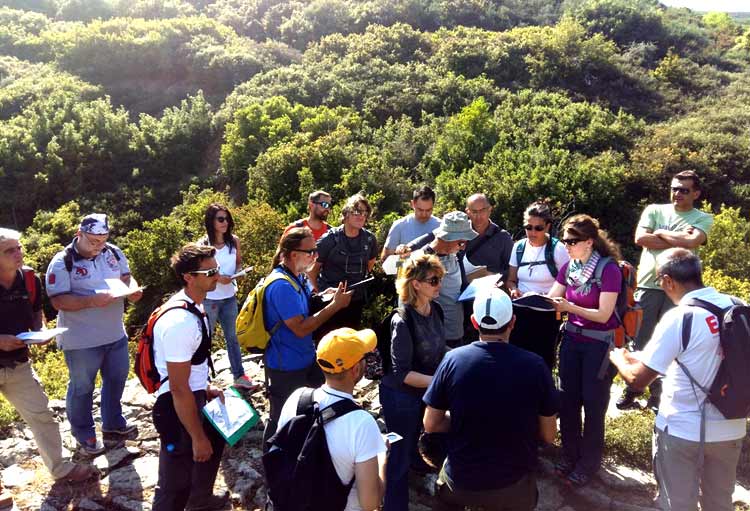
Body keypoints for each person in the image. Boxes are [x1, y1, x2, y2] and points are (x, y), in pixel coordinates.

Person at [609, 248, 745, 511]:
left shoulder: (680, 317)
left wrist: (619, 359)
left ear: (668, 280)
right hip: (732, 427)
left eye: (659, 280)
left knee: (677, 505)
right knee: (719, 503)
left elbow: (638, 380)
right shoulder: (739, 306)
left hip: (683, 429)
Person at [423, 287, 558, 511]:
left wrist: (466, 421)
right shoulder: (535, 365)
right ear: (513, 322)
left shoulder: (453, 360)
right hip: (512, 488)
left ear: (474, 322)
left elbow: (431, 423)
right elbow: (549, 435)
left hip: (460, 483)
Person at [0, 228, 96, 506]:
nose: (18, 254)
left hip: (18, 363)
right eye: (10, 250)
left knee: (41, 415)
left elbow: (35, 310)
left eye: (19, 247)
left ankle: (60, 468)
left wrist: (38, 331)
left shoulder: (29, 278)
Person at [45, 214, 142, 456]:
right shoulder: (62, 261)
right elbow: (58, 301)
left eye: (102, 240)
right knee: (82, 387)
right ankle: (84, 434)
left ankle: (113, 424)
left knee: (117, 378)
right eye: (93, 241)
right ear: (79, 235)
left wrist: (132, 290)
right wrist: (91, 301)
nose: (98, 246)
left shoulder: (113, 252)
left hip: (114, 333)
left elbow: (126, 276)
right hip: (81, 340)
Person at [618, 170, 714, 411]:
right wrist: (678, 237)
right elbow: (641, 239)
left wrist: (659, 233)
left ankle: (658, 396)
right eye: (674, 188)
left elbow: (692, 243)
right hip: (649, 284)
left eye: (684, 190)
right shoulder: (654, 210)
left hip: (680, 290)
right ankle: (633, 389)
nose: (677, 193)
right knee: (640, 339)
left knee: (673, 341)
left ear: (696, 193)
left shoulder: (703, 217)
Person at [151, 243, 229, 511]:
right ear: (188, 277)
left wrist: (205, 388)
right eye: (209, 272)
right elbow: (178, 388)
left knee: (214, 443)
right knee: (174, 485)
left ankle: (200, 501)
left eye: (216, 270)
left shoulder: (195, 307)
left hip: (193, 396)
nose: (216, 276)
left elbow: (189, 371)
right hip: (176, 408)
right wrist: (197, 436)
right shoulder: (180, 323)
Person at [276, 327, 388, 511]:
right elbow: (371, 502)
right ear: (356, 369)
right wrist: (382, 457)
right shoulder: (362, 424)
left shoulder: (297, 398)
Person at [547, 214, 622, 487]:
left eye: (571, 241)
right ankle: (569, 455)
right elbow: (554, 297)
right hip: (572, 341)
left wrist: (569, 308)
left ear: (589, 242)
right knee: (568, 402)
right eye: (564, 240)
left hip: (598, 345)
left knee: (593, 404)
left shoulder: (608, 269)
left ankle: (588, 463)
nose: (566, 246)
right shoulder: (569, 267)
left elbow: (603, 315)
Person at [262, 227, 353, 445]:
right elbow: (301, 328)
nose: (316, 255)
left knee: (309, 407)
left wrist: (325, 296)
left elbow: (304, 305)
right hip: (286, 366)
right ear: (294, 255)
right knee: (281, 417)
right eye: (311, 251)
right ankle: (272, 462)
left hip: (304, 358)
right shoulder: (282, 286)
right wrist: (334, 306)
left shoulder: (297, 277)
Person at [380, 254, 447, 511]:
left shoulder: (436, 310)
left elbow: (439, 348)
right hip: (400, 396)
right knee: (397, 453)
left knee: (413, 437)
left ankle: (414, 461)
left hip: (424, 390)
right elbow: (401, 373)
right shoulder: (402, 319)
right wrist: (440, 381)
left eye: (440, 278)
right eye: (433, 280)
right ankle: (394, 504)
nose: (438, 284)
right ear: (416, 284)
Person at [506, 201, 569, 370]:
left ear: (547, 227)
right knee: (518, 358)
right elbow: (511, 279)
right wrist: (513, 290)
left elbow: (567, 281)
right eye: (528, 227)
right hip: (521, 312)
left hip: (547, 314)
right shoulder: (518, 247)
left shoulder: (558, 249)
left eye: (538, 228)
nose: (532, 232)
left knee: (544, 359)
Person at [199, 203, 256, 390]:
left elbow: (238, 262)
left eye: (227, 219)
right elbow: (198, 272)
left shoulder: (234, 241)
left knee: (233, 337)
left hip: (229, 296)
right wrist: (217, 277)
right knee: (204, 338)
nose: (225, 223)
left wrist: (237, 274)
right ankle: (202, 379)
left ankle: (239, 376)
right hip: (210, 298)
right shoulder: (203, 245)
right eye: (220, 219)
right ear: (211, 221)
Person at [309, 194, 378, 331]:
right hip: (329, 302)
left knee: (349, 344)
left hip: (355, 301)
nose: (361, 216)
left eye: (364, 213)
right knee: (327, 343)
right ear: (346, 214)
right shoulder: (330, 238)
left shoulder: (370, 239)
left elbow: (369, 265)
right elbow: (312, 270)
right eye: (356, 212)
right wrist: (318, 294)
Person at [408, 212, 477, 347]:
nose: (463, 247)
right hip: (433, 340)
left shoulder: (455, 254)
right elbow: (408, 302)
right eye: (461, 242)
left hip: (457, 332)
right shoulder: (420, 262)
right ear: (446, 238)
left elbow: (462, 286)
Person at [381, 186, 440, 259]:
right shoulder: (399, 226)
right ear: (412, 204)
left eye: (428, 210)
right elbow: (385, 258)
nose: (424, 214)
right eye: (420, 210)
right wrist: (398, 253)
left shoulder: (441, 226)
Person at [463, 193, 513, 276]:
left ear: (490, 210)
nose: (478, 216)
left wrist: (492, 276)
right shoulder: (458, 233)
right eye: (474, 212)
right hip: (463, 286)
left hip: (494, 286)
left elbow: (512, 269)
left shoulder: (503, 237)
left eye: (482, 210)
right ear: (467, 212)